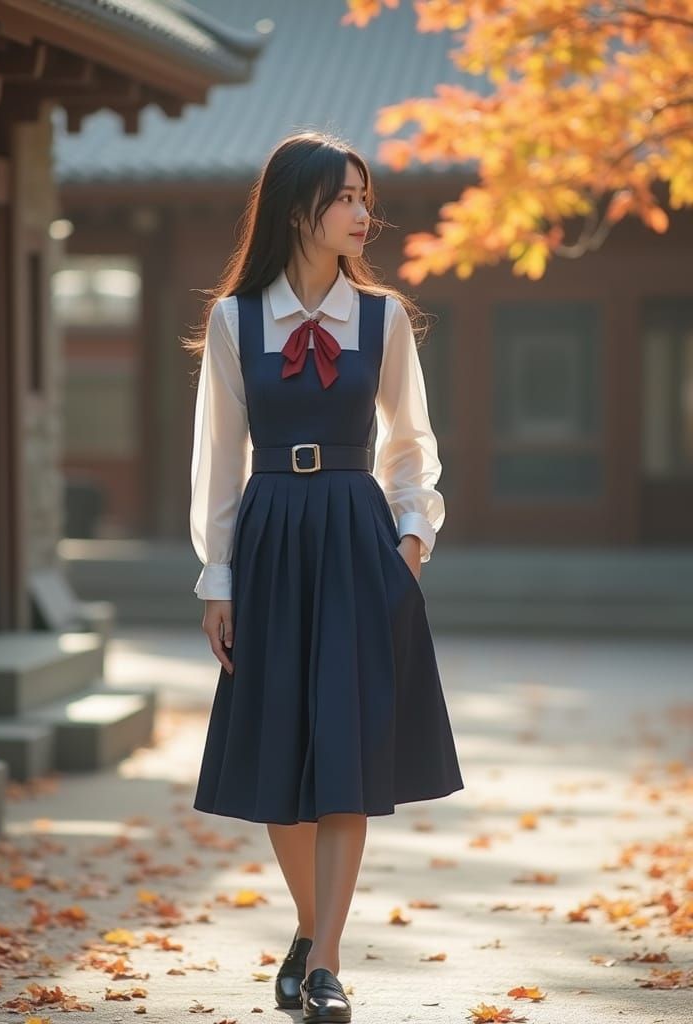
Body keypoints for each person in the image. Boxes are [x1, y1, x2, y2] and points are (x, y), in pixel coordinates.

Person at [183, 130, 464, 1023]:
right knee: (281, 751)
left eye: (363, 194)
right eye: (345, 196)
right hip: (268, 538)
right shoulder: (236, 321)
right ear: (299, 208)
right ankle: (310, 929)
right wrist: (216, 580)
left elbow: (414, 449)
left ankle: (327, 963)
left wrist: (407, 554)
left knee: (347, 748)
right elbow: (218, 463)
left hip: (355, 539)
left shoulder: (382, 320)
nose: (361, 212)